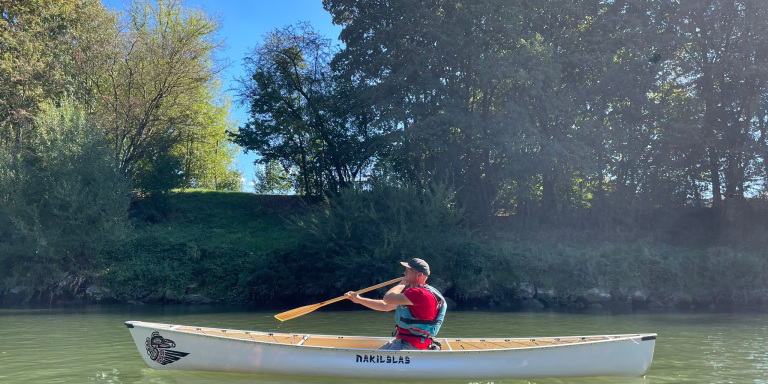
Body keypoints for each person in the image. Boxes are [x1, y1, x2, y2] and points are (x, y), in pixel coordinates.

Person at [345, 258, 446, 350]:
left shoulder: (419, 293)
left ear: (419, 275)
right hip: (407, 341)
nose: (404, 272)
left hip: (411, 345)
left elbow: (387, 298)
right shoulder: (417, 293)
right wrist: (359, 299)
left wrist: (403, 283)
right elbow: (385, 306)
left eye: (408, 270)